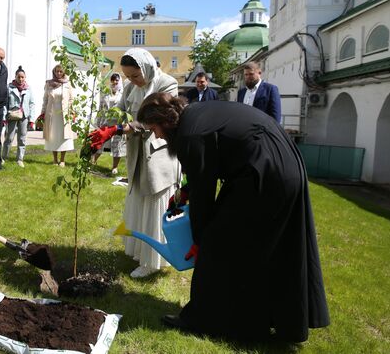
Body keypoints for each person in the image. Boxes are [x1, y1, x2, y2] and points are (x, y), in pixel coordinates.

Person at [137, 93, 330, 342]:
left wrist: (200, 241)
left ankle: (202, 320)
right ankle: (275, 321)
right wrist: (185, 192)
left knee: (218, 244)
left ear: (165, 120)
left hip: (265, 173)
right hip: (283, 164)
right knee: (273, 248)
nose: (156, 136)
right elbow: (201, 175)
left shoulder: (189, 133)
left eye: (154, 128)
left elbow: (204, 196)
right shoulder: (194, 115)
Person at [88, 48, 181, 278]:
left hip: (160, 152)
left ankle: (153, 261)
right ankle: (140, 252)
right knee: (139, 201)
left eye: (135, 76)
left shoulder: (166, 84)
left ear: (147, 67)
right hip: (137, 152)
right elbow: (119, 112)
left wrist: (123, 128)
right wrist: (102, 127)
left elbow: (158, 118)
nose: (132, 81)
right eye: (128, 76)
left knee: (155, 202)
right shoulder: (130, 87)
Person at [41, 64, 75, 167]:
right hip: (51, 113)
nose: (59, 73)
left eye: (60, 71)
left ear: (63, 72)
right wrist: (42, 112)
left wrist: (72, 112)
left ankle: (62, 160)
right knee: (53, 136)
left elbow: (71, 99)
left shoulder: (68, 84)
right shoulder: (49, 84)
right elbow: (45, 99)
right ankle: (55, 159)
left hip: (63, 114)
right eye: (57, 71)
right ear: (54, 72)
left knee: (63, 136)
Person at [92, 72, 126, 175]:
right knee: (100, 142)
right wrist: (97, 123)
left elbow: (125, 108)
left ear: (119, 81)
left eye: (116, 80)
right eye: (113, 80)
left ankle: (114, 167)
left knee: (117, 144)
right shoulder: (106, 92)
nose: (114, 82)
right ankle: (93, 162)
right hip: (106, 122)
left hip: (117, 122)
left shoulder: (123, 94)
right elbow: (101, 108)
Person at [2, 65, 35, 167]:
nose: (20, 79)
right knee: (9, 137)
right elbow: (5, 103)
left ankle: (20, 159)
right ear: (15, 77)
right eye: (18, 77)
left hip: (24, 116)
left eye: (22, 77)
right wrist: (4, 117)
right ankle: (3, 157)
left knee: (22, 138)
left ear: (25, 77)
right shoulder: (9, 88)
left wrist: (31, 119)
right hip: (12, 115)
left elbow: (31, 104)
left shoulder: (28, 89)